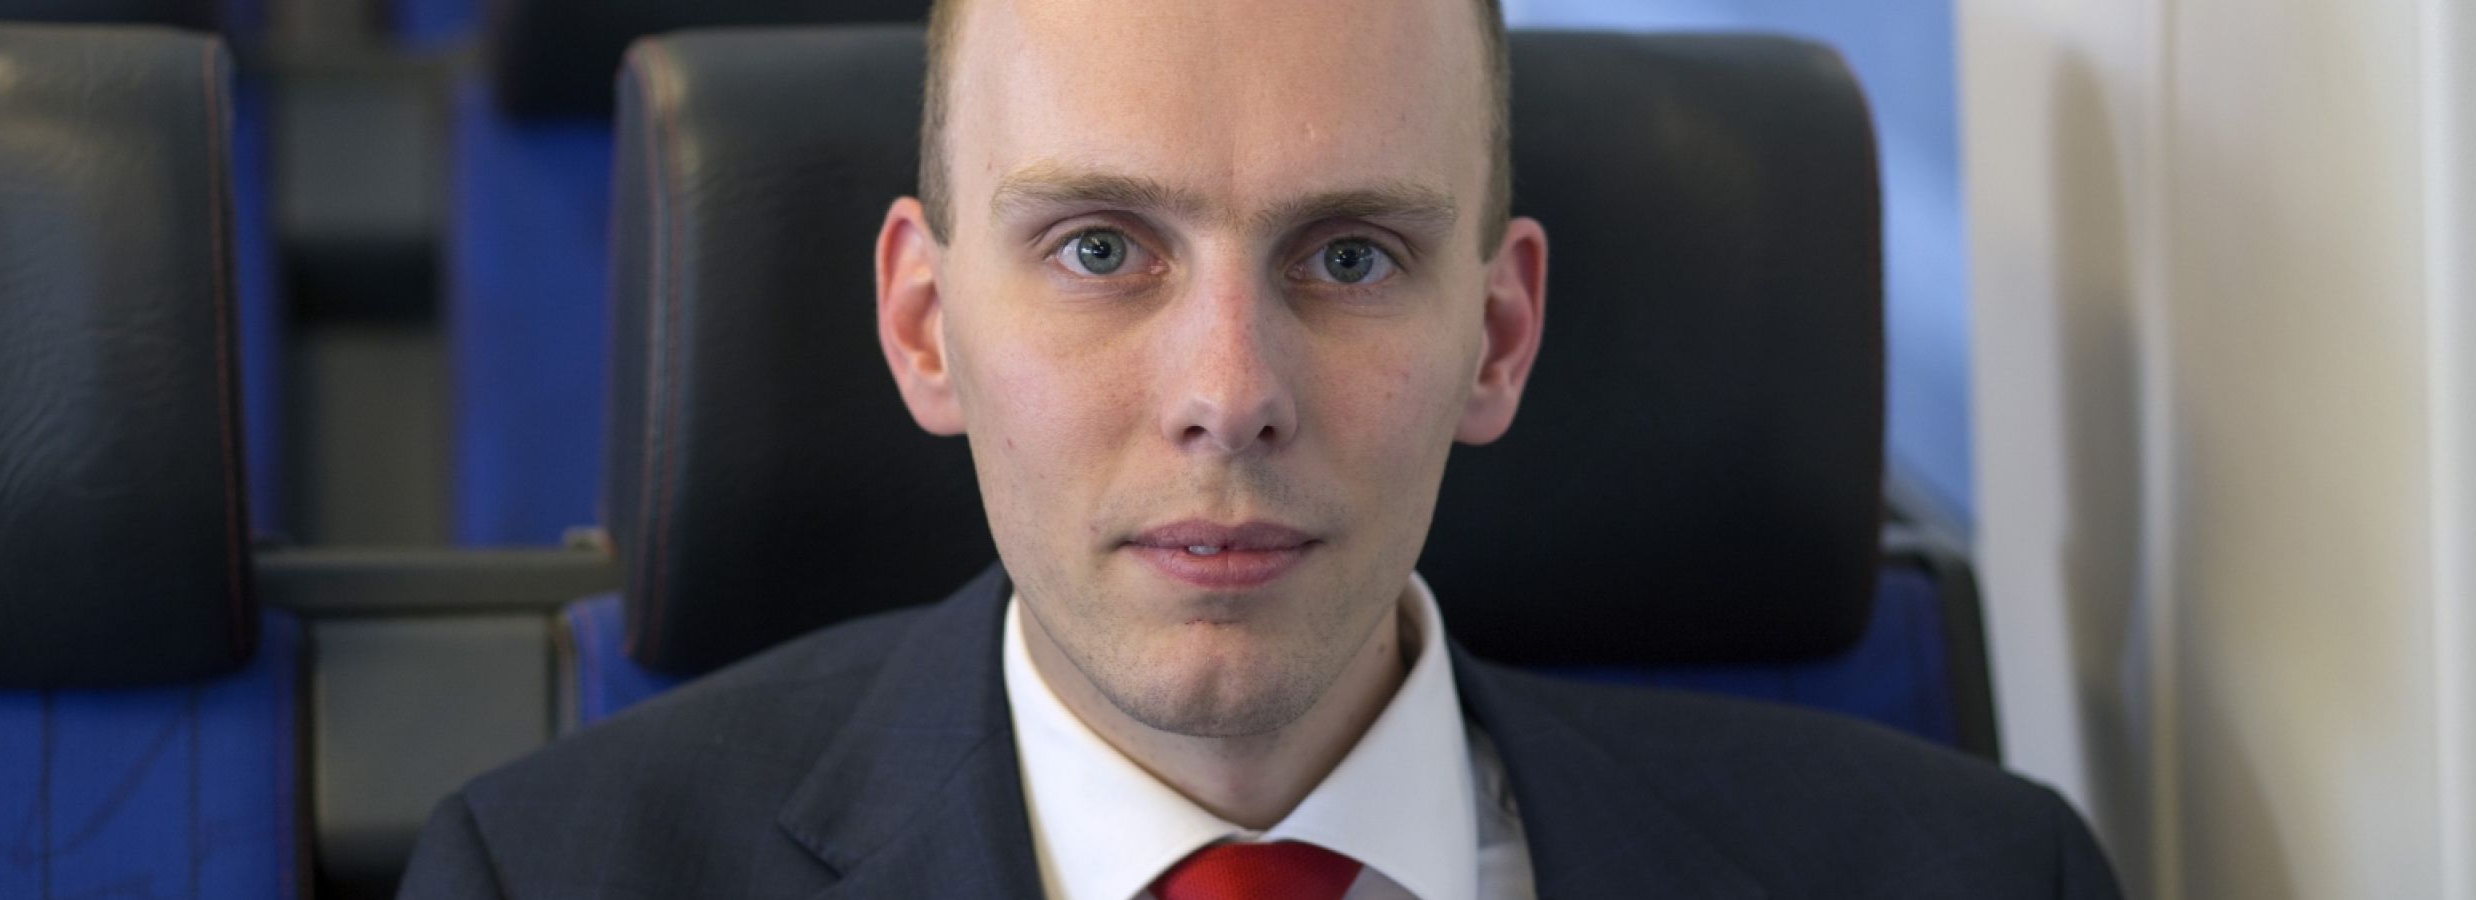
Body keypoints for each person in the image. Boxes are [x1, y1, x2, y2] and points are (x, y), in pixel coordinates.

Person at [397, 0, 2125, 896]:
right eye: (1101, 248)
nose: (1230, 390)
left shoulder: (1974, 880)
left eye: (1350, 258)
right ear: (925, 325)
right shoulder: (547, 881)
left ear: (1498, 336)